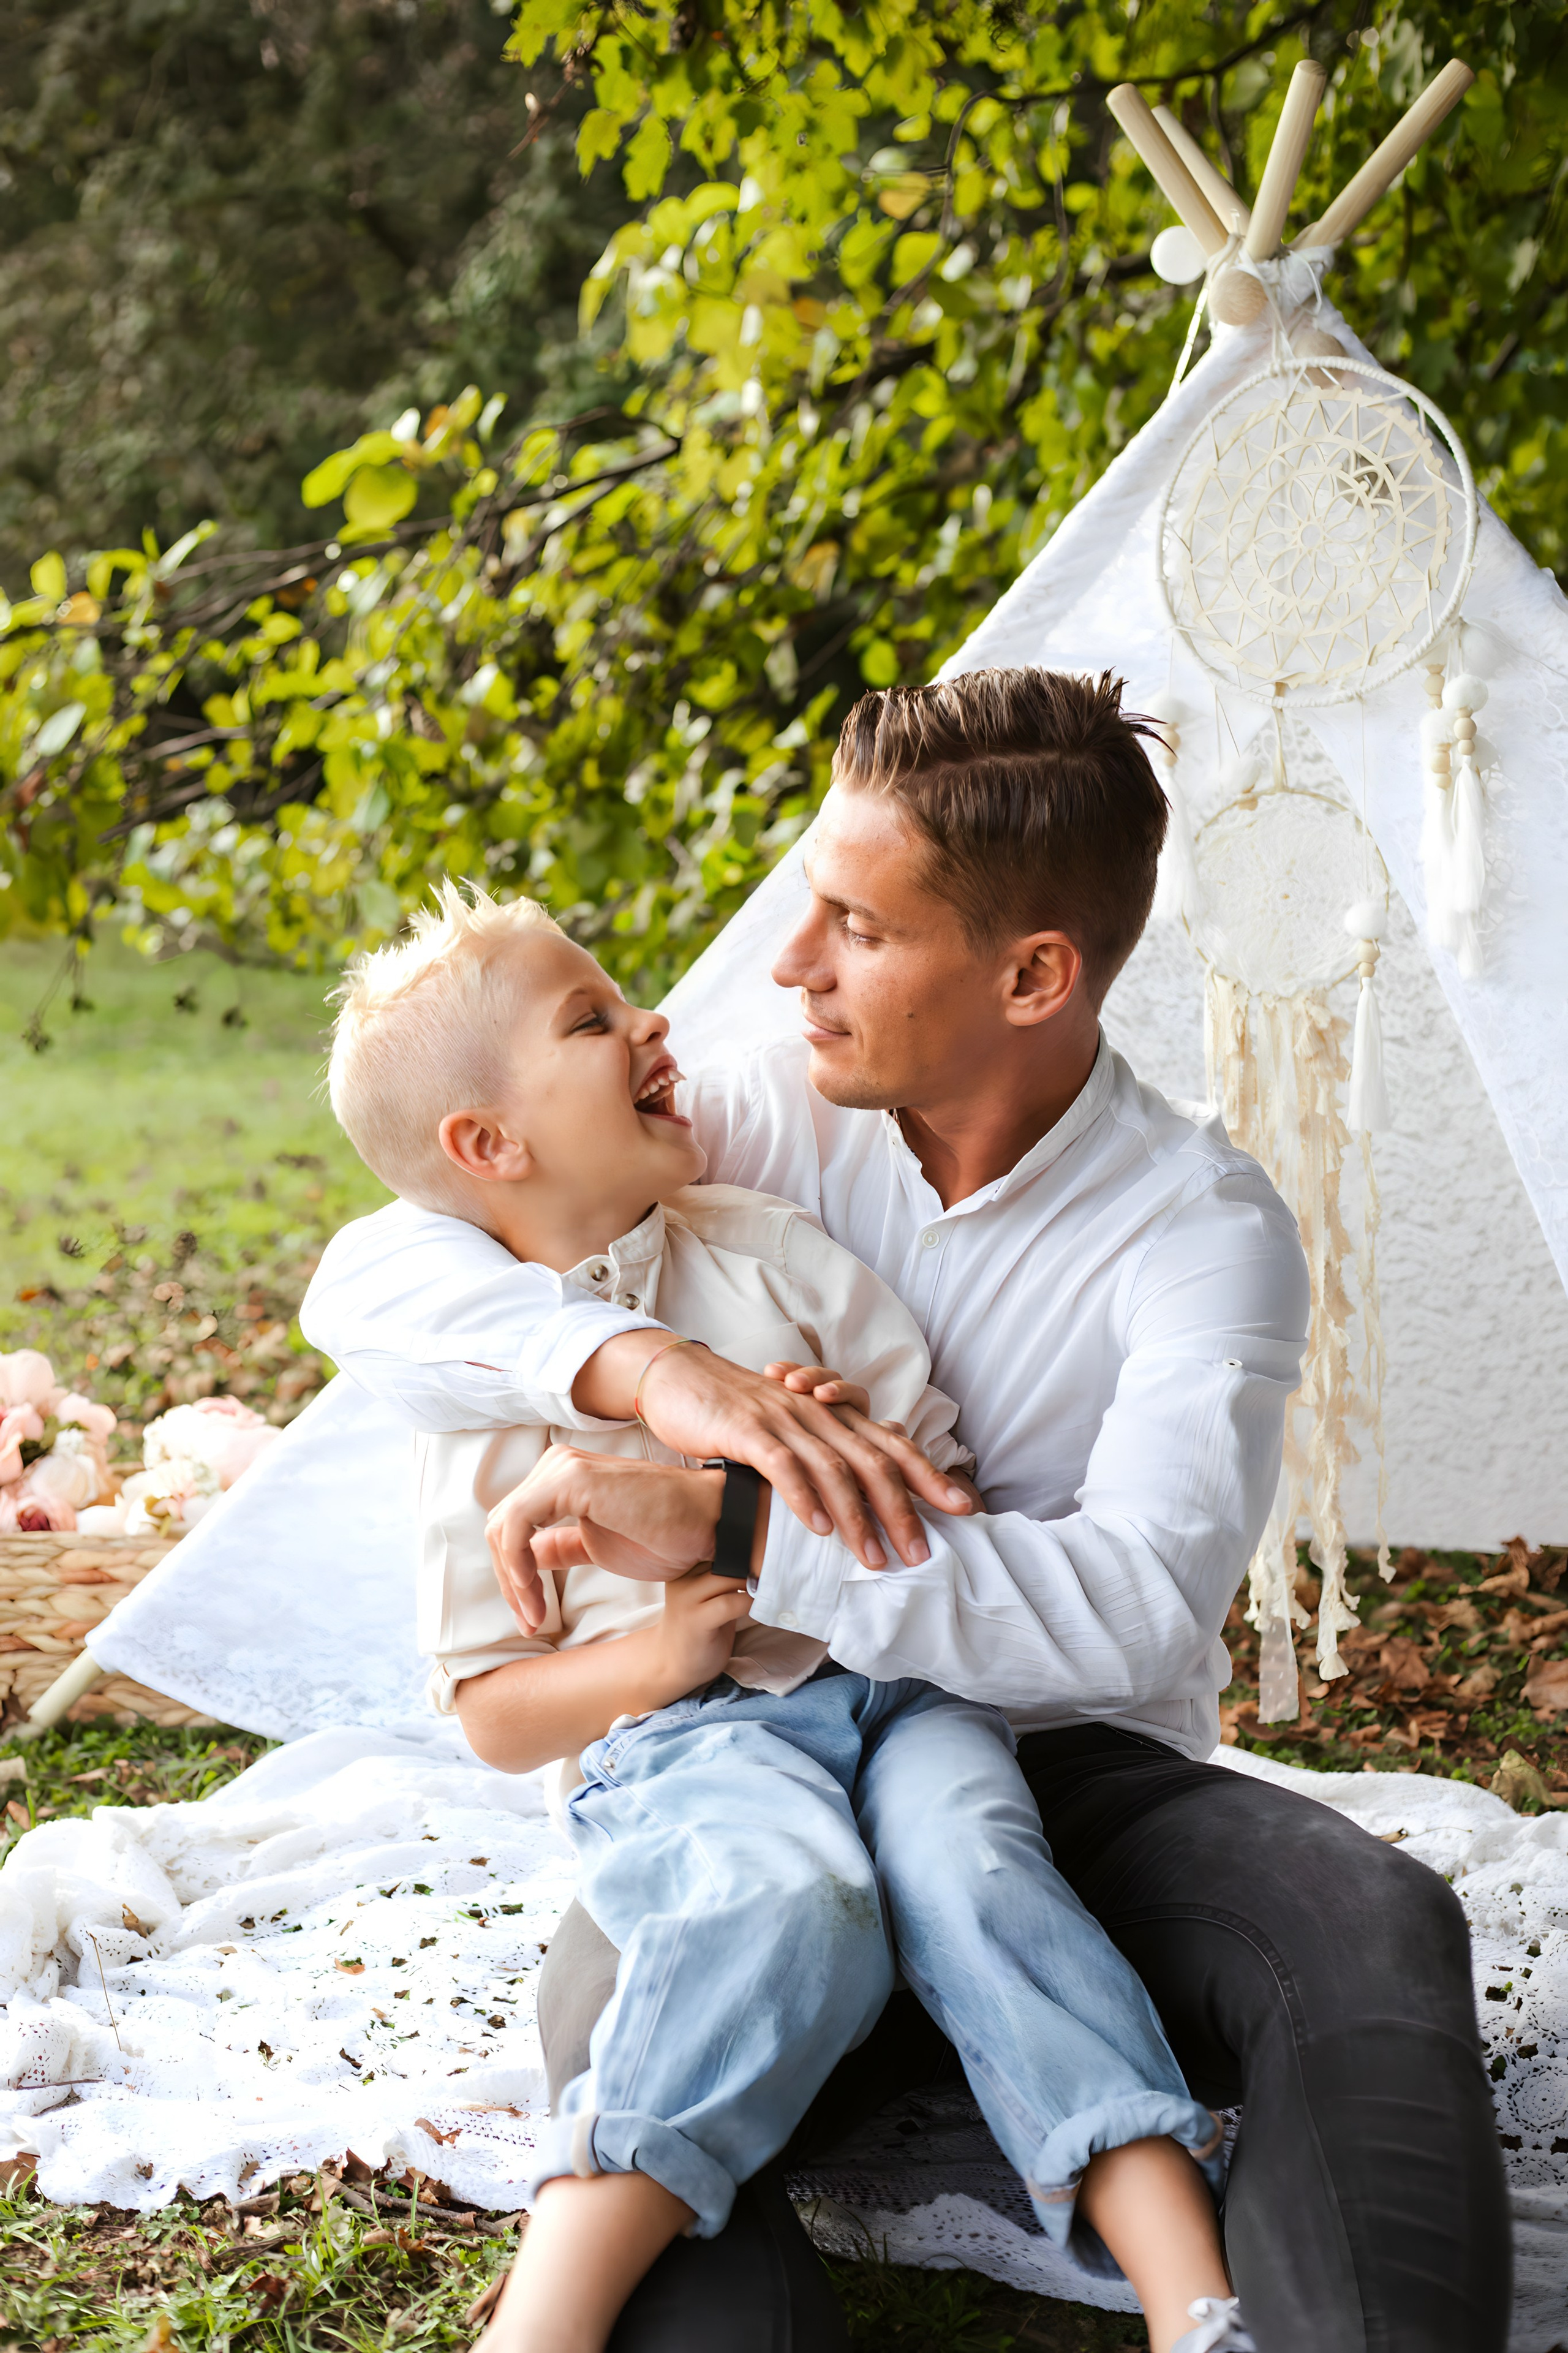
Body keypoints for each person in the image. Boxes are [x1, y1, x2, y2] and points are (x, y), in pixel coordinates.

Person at [303, 669, 1510, 2353]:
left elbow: (1131, 1610)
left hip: (1061, 1775)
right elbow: (382, 1266)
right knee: (652, 1984)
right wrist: (655, 1371)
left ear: (1032, 974)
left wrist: (730, 1526)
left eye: (857, 927)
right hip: (736, 1755)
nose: (792, 963)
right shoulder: (752, 1110)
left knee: (1377, 1926)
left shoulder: (1200, 1233)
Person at [323, 879, 1251, 2353]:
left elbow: (938, 1491)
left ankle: (1189, 2302)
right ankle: (549, 2318)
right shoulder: (494, 1399)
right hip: (698, 1737)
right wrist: (657, 1653)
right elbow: (492, 1712)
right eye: (591, 1018)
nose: (650, 1020)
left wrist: (840, 1444)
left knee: (984, 1871)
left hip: (908, 1688)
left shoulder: (764, 1245)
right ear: (488, 1146)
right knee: (783, 1896)